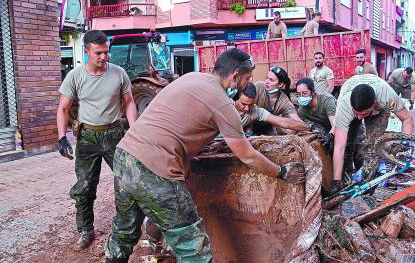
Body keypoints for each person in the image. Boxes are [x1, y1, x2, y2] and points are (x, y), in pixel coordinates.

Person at [104, 48, 306, 263]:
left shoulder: (192, 77)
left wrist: (195, 148)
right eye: (247, 78)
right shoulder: (223, 104)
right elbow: (247, 156)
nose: (248, 83)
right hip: (155, 168)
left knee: (124, 231)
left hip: (125, 155)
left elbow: (177, 122)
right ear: (235, 76)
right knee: (193, 247)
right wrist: (282, 172)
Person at [56, 30, 138, 250]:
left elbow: (129, 102)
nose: (104, 57)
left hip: (114, 134)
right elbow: (63, 107)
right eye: (99, 53)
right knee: (84, 187)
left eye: (106, 52)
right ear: (87, 52)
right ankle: (85, 231)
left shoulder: (119, 73)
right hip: (88, 137)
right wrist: (62, 137)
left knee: (128, 180)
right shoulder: (75, 76)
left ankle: (129, 228)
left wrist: (134, 128)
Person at [331, 74, 414, 194]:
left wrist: (404, 143)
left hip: (378, 111)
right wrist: (336, 181)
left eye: (363, 114)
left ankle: (365, 183)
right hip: (349, 97)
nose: (359, 117)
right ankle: (346, 180)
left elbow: (407, 120)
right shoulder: (344, 106)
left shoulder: (386, 96)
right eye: (357, 113)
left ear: (375, 103)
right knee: (348, 145)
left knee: (374, 146)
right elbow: (339, 147)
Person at [235, 82, 308, 134]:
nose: (247, 109)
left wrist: (306, 127)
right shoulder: (225, 107)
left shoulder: (256, 111)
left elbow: (283, 122)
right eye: (243, 104)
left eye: (251, 104)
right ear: (236, 98)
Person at [254, 66, 303, 134]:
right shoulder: (258, 87)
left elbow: (296, 120)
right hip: (249, 124)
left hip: (266, 129)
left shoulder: (284, 101)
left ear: (280, 84)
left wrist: (306, 128)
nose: (266, 82)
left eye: (271, 80)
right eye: (267, 78)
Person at [296, 77, 337, 152]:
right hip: (327, 127)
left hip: (344, 124)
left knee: (349, 152)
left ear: (313, 92)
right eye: (299, 94)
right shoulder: (302, 108)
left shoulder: (327, 100)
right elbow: (297, 124)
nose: (301, 97)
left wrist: (329, 136)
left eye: (304, 93)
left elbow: (335, 124)